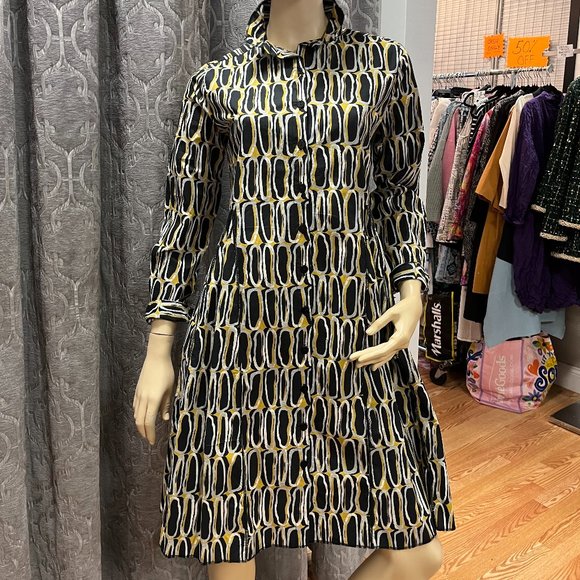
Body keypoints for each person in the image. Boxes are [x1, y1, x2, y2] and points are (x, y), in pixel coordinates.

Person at [133, 1, 457, 578]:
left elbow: (399, 194)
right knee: (230, 531)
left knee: (417, 552)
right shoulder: (217, 82)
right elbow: (187, 216)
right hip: (239, 339)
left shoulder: (383, 66)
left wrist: (412, 289)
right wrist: (161, 346)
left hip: (349, 330)